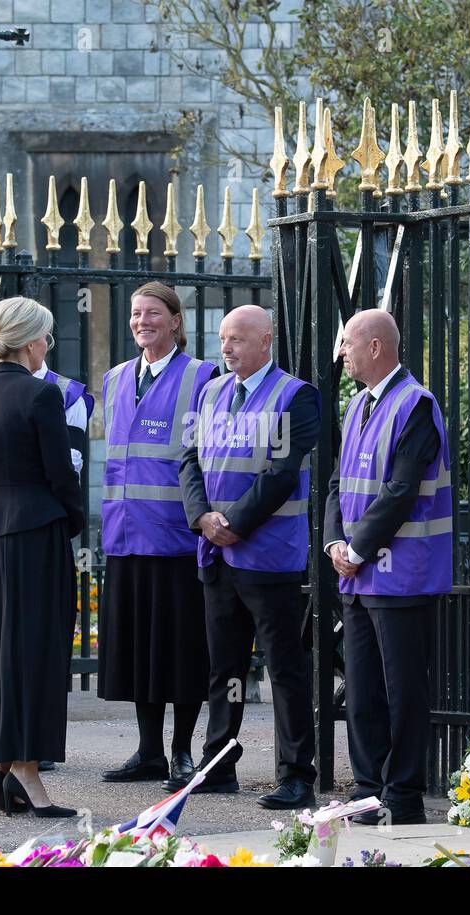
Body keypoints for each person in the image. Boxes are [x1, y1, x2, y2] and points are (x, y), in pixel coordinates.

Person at [176, 305, 320, 807]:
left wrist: (234, 522)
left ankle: (297, 773)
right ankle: (218, 764)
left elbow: (281, 474)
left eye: (237, 339)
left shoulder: (296, 396)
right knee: (225, 668)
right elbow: (189, 459)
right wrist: (203, 518)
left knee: (284, 667)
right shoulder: (211, 390)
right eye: (222, 339)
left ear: (266, 341)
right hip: (216, 553)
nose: (227, 348)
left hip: (269, 557)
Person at [0, 297, 85, 817]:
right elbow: (61, 474)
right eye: (45, 338)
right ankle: (26, 772)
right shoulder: (42, 396)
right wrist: (70, 521)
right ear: (30, 342)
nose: (46, 347)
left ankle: (5, 767)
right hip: (34, 532)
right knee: (36, 652)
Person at [325, 309, 453, 826]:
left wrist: (353, 551)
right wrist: (336, 540)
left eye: (348, 344)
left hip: (402, 576)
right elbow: (337, 482)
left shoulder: (416, 404)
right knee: (362, 690)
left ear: (376, 347)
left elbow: (401, 490)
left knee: (403, 692)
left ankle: (403, 796)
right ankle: (368, 789)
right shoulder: (357, 403)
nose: (342, 353)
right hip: (357, 573)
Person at [99, 282, 218, 784]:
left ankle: (182, 751)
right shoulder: (115, 378)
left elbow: (211, 461)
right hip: (126, 538)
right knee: (138, 652)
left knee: (182, 650)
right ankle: (148, 750)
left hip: (177, 539)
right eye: (134, 314)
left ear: (175, 321)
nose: (141, 321)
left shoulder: (203, 377)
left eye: (152, 313)